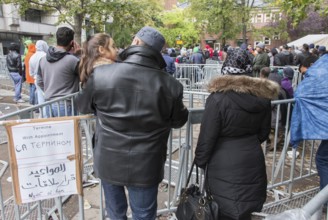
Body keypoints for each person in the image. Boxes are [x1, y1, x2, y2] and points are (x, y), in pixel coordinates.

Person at [75, 26, 189, 220]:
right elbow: (179, 120)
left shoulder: (101, 75)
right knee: (144, 215)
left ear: (136, 42)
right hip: (147, 163)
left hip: (108, 158)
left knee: (115, 213)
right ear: (158, 51)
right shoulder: (171, 85)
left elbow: (84, 106)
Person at [195, 49, 279, 220]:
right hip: (252, 157)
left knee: (224, 208)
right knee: (247, 207)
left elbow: (207, 136)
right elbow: (264, 132)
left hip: (222, 161)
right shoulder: (263, 98)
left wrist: (200, 160)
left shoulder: (218, 99)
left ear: (226, 69)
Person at [290, 53, 328, 213]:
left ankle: (325, 198)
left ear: (312, 66)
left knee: (322, 159)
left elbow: (301, 93)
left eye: (305, 74)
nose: (305, 78)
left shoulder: (320, 71)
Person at [37, 26, 80, 117]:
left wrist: (51, 91)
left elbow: (39, 81)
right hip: (66, 104)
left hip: (48, 103)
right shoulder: (72, 60)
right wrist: (79, 55)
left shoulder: (43, 60)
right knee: (69, 131)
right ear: (72, 43)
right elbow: (85, 76)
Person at [29, 40, 49, 117]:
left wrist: (35, 77)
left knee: (41, 100)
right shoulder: (46, 56)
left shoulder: (32, 57)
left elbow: (31, 73)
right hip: (46, 80)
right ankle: (47, 116)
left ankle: (42, 116)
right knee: (48, 100)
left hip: (36, 80)